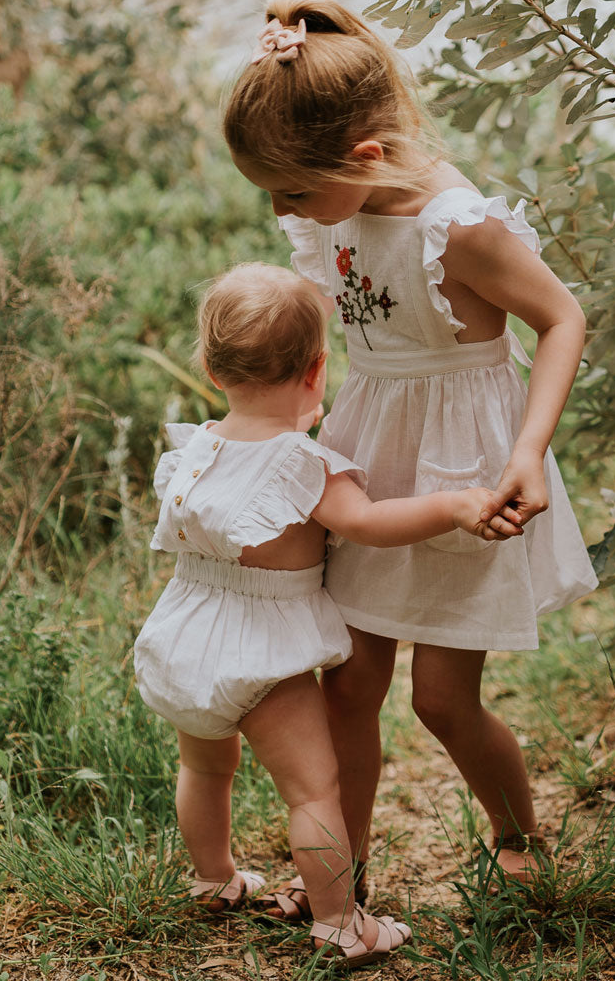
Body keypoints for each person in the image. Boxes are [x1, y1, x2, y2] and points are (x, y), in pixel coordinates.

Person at [222, 0, 598, 918]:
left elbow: (561, 319)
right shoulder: (334, 210)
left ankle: (518, 837)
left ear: (364, 156)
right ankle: (339, 879)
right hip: (372, 449)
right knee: (349, 680)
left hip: (464, 468)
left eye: (291, 190)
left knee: (441, 698)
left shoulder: (458, 226)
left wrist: (528, 451)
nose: (282, 209)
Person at [134, 263, 522, 967]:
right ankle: (343, 924)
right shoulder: (302, 464)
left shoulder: (193, 449)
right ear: (318, 371)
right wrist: (455, 503)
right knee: (313, 790)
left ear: (212, 366)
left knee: (206, 766)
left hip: (184, 638)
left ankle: (213, 878)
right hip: (261, 653)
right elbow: (370, 523)